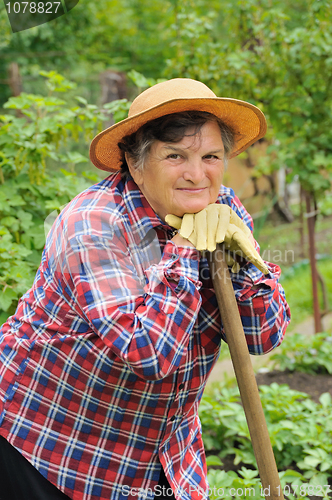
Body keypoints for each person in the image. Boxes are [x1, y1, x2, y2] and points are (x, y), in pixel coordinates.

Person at [0, 78, 290, 500]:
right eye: (176, 156)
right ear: (135, 163)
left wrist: (245, 265)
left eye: (211, 156)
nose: (197, 174)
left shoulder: (221, 208)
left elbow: (264, 335)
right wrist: (186, 250)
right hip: (50, 439)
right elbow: (149, 352)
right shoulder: (94, 225)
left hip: (158, 445)